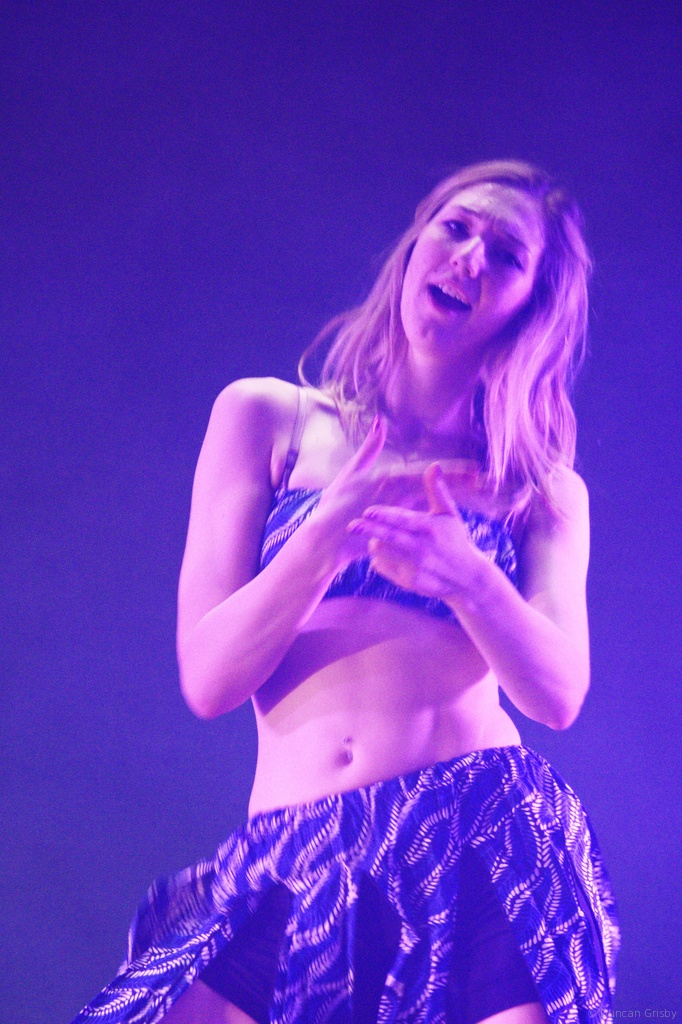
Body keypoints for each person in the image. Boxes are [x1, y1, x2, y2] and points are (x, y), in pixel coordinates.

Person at [72, 160, 619, 1024]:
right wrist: (328, 531)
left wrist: (469, 576)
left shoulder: (537, 488)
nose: (470, 258)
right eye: (456, 227)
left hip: (470, 840)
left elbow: (558, 695)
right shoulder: (267, 418)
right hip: (297, 859)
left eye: (507, 254)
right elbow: (209, 681)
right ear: (415, 245)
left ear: (532, 303)